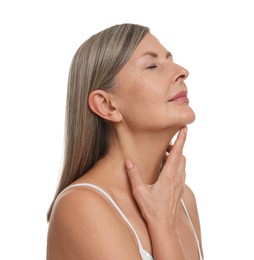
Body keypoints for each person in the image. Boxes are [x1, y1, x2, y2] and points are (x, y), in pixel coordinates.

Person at [46, 23, 204, 260]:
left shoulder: (181, 199)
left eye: (171, 60)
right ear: (106, 105)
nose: (182, 71)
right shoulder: (81, 207)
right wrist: (163, 225)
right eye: (152, 66)